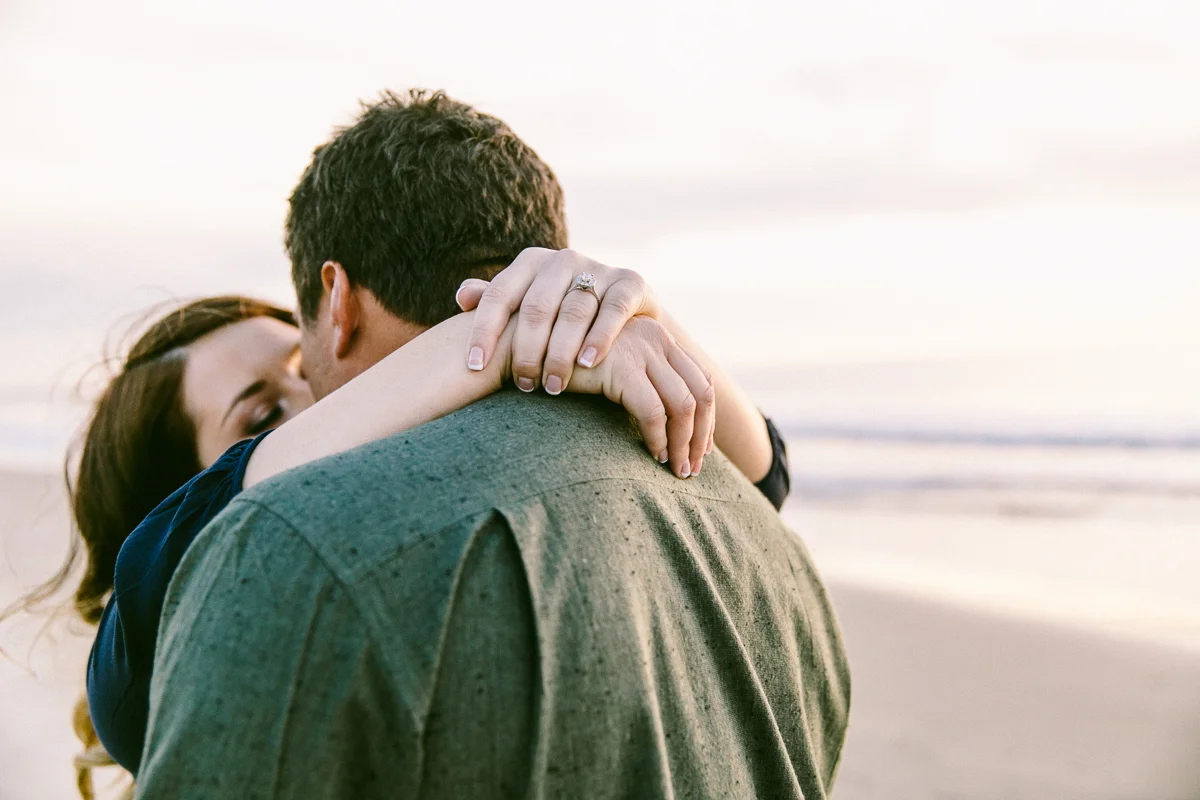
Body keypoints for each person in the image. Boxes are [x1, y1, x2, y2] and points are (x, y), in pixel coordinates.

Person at [131, 90, 849, 799]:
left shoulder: (290, 551)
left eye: (299, 357)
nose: (307, 408)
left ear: (337, 301)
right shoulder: (772, 552)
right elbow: (766, 473)